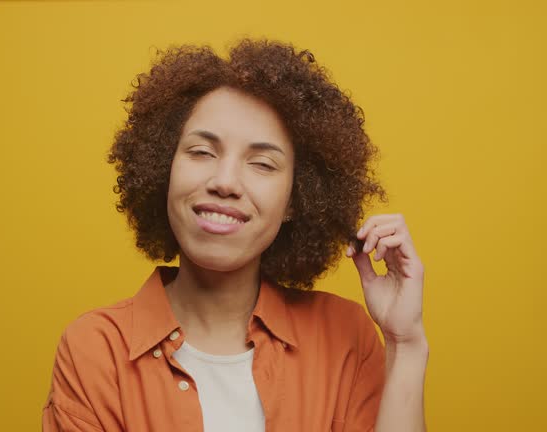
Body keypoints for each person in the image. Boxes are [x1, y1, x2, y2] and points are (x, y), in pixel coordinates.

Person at [42, 38, 427, 432]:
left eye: (261, 163)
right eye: (202, 152)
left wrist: (405, 343)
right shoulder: (95, 349)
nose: (225, 182)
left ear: (296, 198)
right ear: (164, 168)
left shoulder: (346, 336)